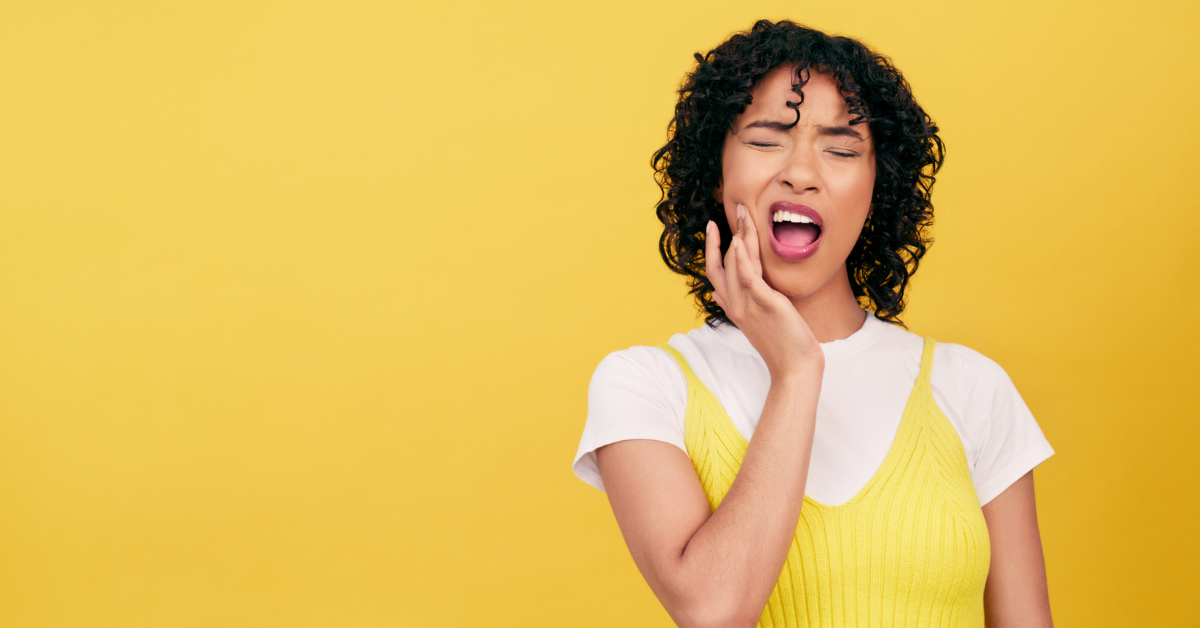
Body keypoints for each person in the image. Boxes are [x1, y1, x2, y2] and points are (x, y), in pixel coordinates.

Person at [571, 19, 1055, 628]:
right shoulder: (647, 385)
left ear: (878, 185)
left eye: (842, 148)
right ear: (716, 174)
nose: (801, 172)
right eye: (768, 138)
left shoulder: (972, 387)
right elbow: (713, 611)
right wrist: (797, 371)